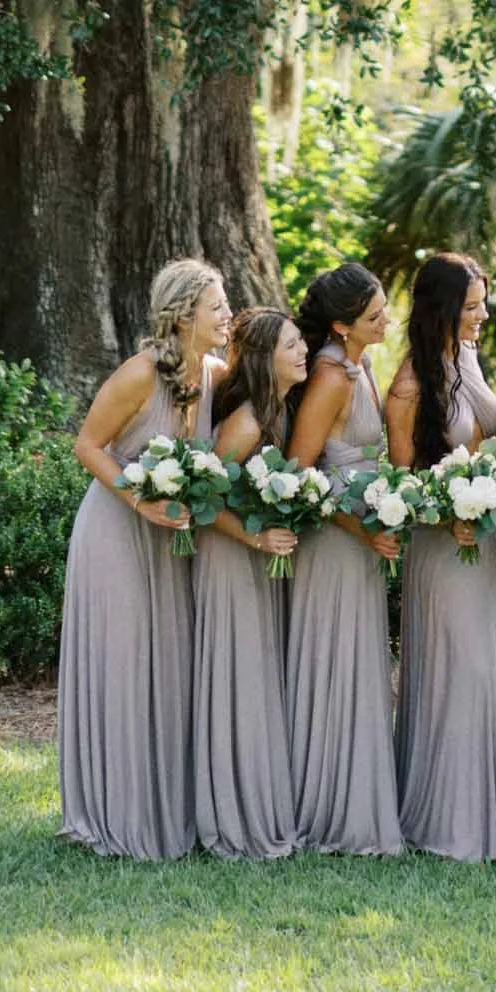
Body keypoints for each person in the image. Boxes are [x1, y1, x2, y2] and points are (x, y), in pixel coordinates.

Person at [59, 258, 230, 859]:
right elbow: (88, 445)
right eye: (217, 306)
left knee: (168, 665)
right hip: (116, 532)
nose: (227, 315)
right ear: (184, 316)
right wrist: (140, 500)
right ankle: (115, 814)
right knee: (126, 665)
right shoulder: (138, 374)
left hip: (170, 539)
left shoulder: (215, 374)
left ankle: (168, 810)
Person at [387, 251, 496, 861]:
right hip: (443, 548)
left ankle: (486, 816)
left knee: (486, 672)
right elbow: (404, 483)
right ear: (442, 311)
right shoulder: (411, 385)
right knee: (460, 672)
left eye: (484, 301)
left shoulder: (465, 359)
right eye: (471, 305)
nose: (483, 313)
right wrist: (449, 513)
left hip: (485, 543)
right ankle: (444, 822)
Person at [284, 261, 405, 856]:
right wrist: (361, 530)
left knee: (359, 664)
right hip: (333, 541)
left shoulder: (362, 364)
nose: (388, 320)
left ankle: (354, 799)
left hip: (363, 532)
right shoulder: (331, 377)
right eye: (376, 315)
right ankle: (326, 808)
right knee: (334, 662)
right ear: (341, 325)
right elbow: (301, 473)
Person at [193, 305, 304, 860]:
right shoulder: (247, 422)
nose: (303, 351)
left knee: (255, 676)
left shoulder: (275, 411)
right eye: (291, 345)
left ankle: (254, 800)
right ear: (265, 359)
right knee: (236, 676)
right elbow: (203, 502)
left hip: (254, 561)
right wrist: (255, 539)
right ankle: (231, 814)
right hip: (228, 559)